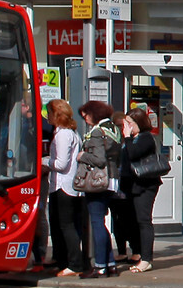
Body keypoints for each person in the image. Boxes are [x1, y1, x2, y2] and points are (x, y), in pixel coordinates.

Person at [75, 101, 122, 277]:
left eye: (86, 114)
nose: (85, 118)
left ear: (94, 114)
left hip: (98, 181)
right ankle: (110, 264)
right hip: (112, 180)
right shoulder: (114, 129)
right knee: (100, 222)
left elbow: (99, 160)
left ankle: (100, 266)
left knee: (97, 223)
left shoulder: (96, 133)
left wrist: (82, 156)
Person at [116, 107, 164, 273]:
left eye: (130, 123)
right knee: (131, 220)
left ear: (139, 123)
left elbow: (134, 154)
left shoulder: (146, 138)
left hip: (145, 185)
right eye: (125, 123)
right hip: (131, 185)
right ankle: (137, 252)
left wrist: (127, 138)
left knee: (144, 221)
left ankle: (146, 259)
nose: (126, 127)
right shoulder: (133, 138)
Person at [44, 99, 87, 277]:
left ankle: (74, 263)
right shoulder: (69, 132)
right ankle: (61, 260)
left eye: (49, 112)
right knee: (58, 225)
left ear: (57, 114)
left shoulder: (63, 135)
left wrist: (44, 161)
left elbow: (61, 164)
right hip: (62, 186)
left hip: (64, 186)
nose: (47, 115)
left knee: (66, 225)